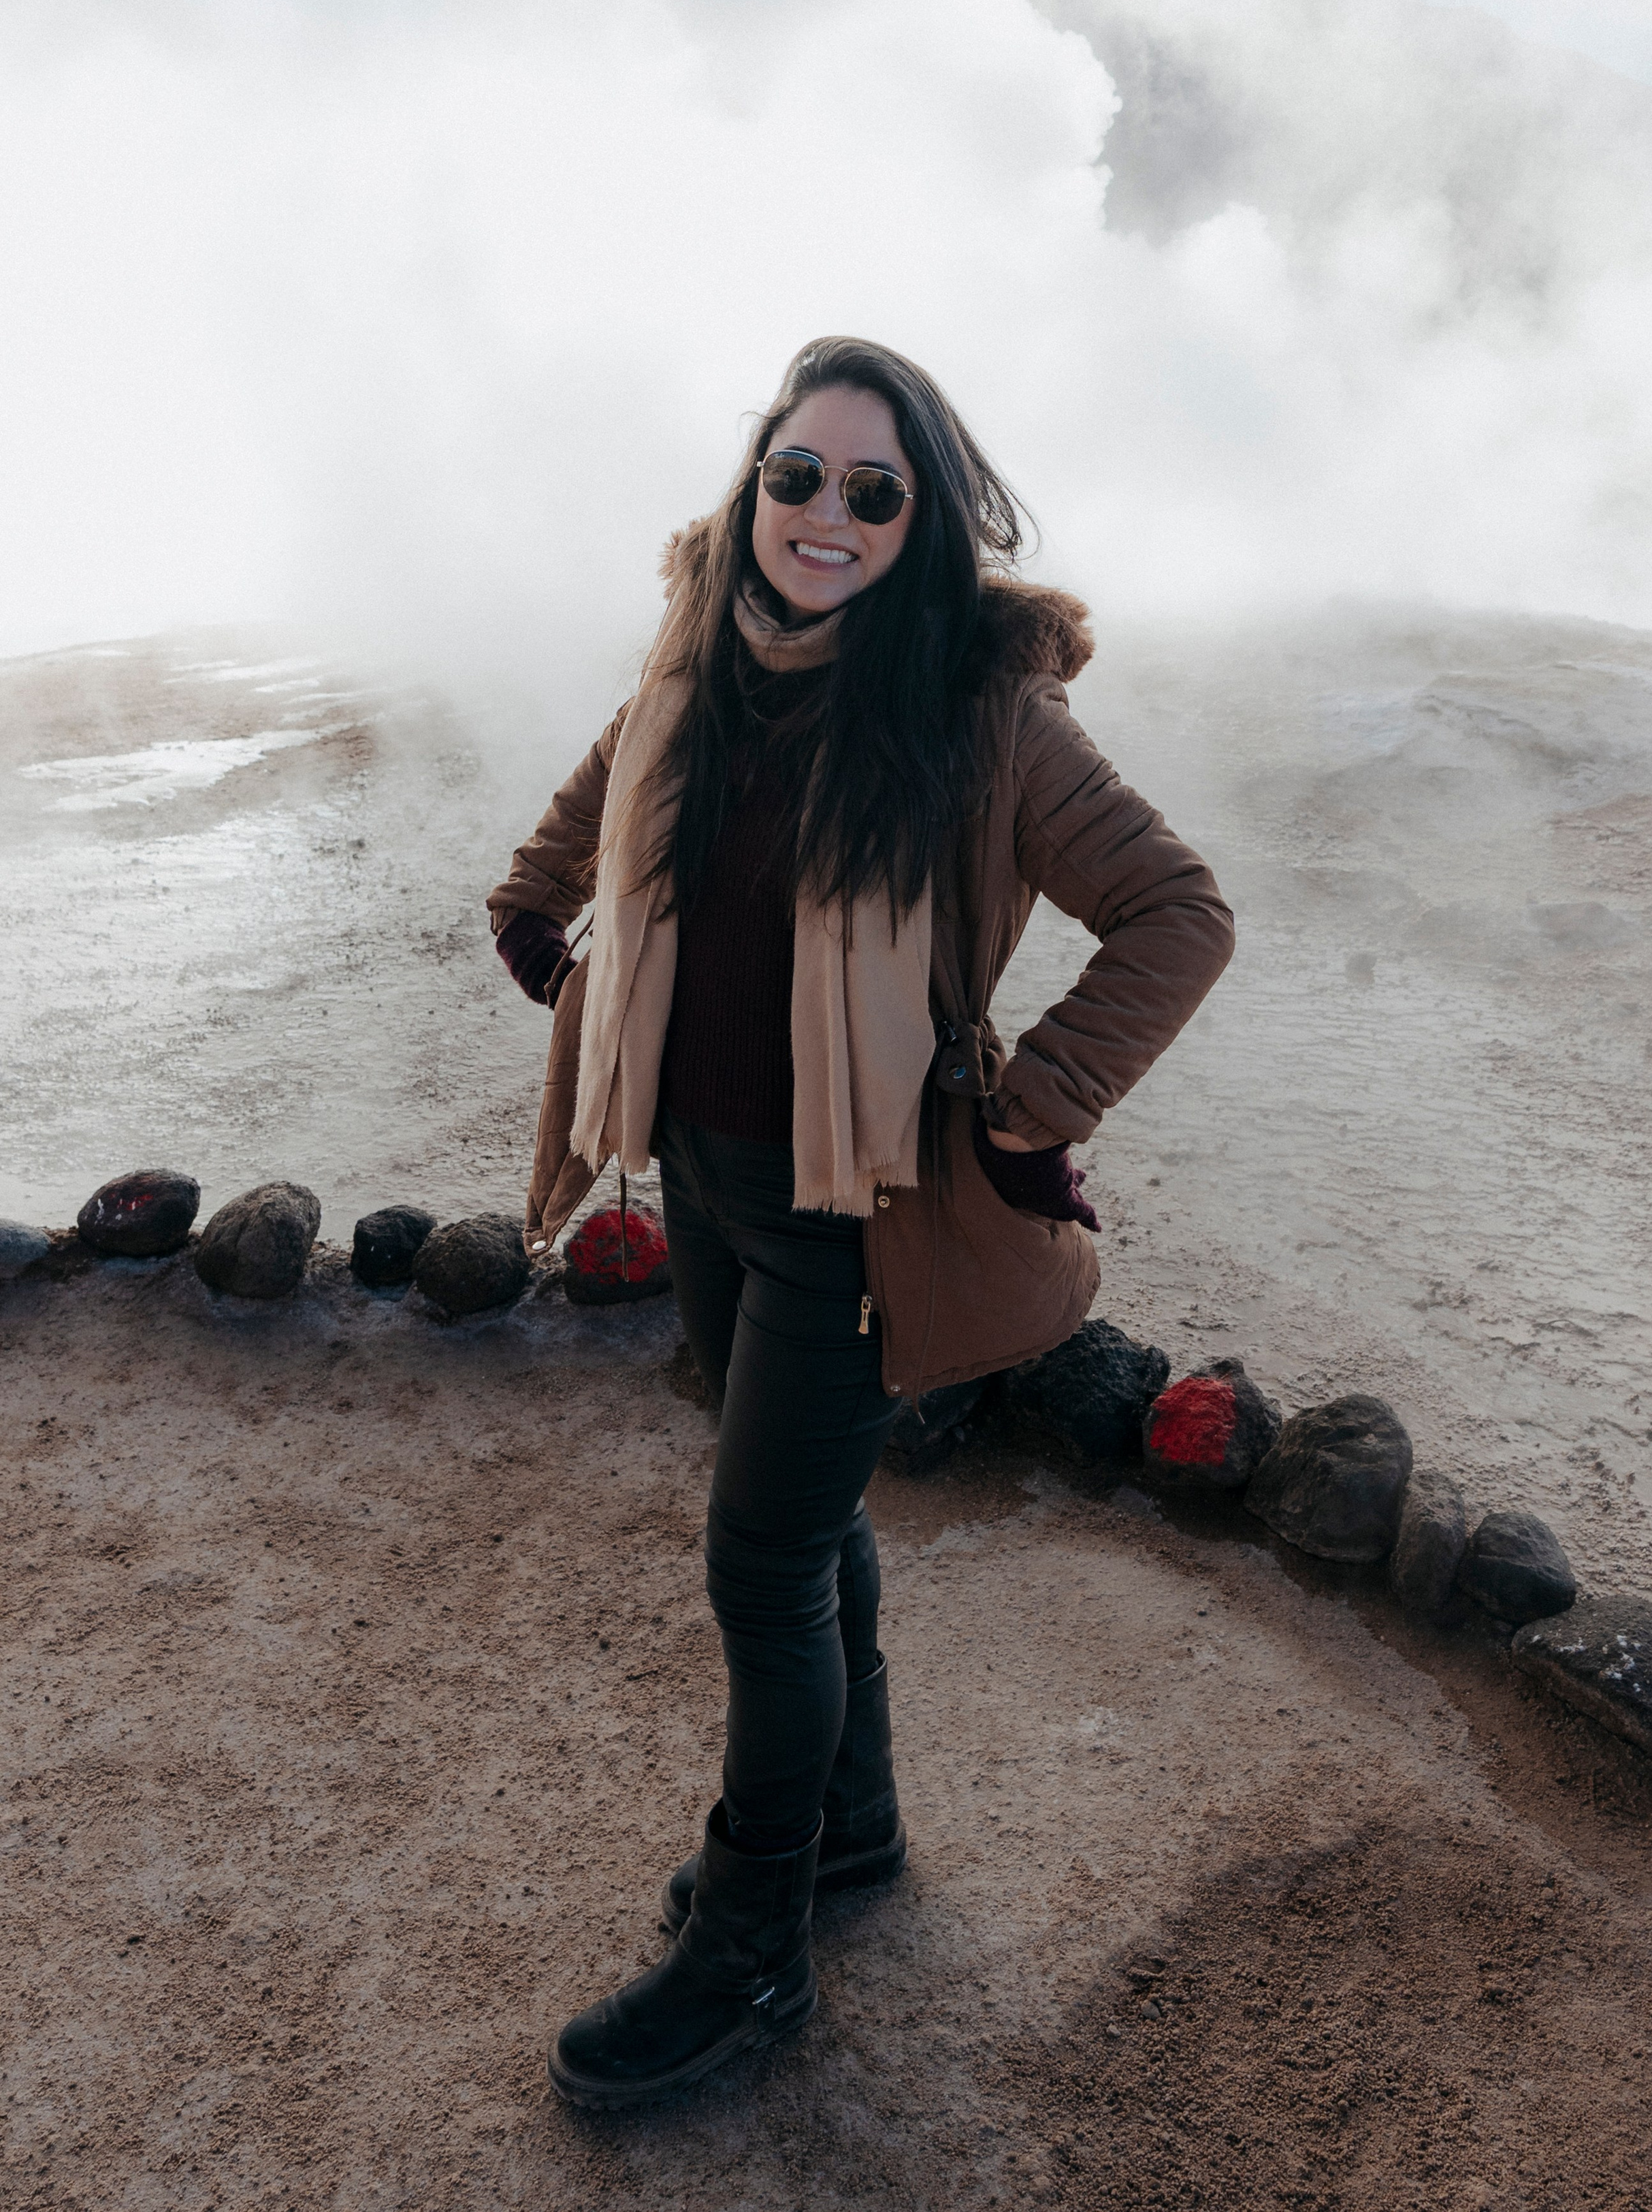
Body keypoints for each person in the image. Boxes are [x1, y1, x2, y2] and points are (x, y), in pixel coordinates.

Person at [486, 336, 1234, 2109]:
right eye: (798, 477)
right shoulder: (695, 669)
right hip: (706, 1176)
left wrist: (1036, 1107)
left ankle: (753, 1952)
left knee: (760, 1565)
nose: (827, 513)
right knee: (806, 1532)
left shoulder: (980, 714)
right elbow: (584, 825)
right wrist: (539, 925)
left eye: (872, 490)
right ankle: (858, 1828)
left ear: (922, 523)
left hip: (856, 1211)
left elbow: (1176, 915)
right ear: (754, 489)